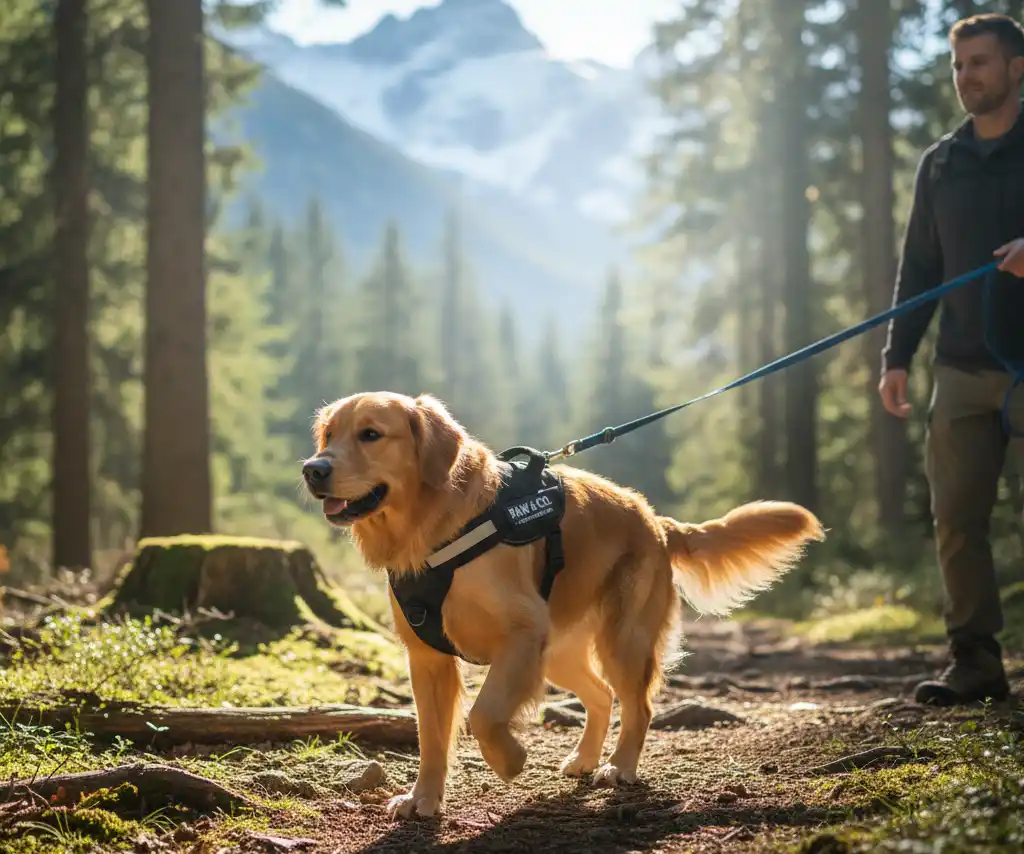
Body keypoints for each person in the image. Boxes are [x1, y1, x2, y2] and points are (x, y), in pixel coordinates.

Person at [879, 12, 1024, 707]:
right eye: (959, 65)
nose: (967, 76)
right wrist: (897, 355)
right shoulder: (939, 163)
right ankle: (976, 664)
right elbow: (920, 268)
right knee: (957, 520)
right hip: (961, 373)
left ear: (1016, 68)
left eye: (981, 63)